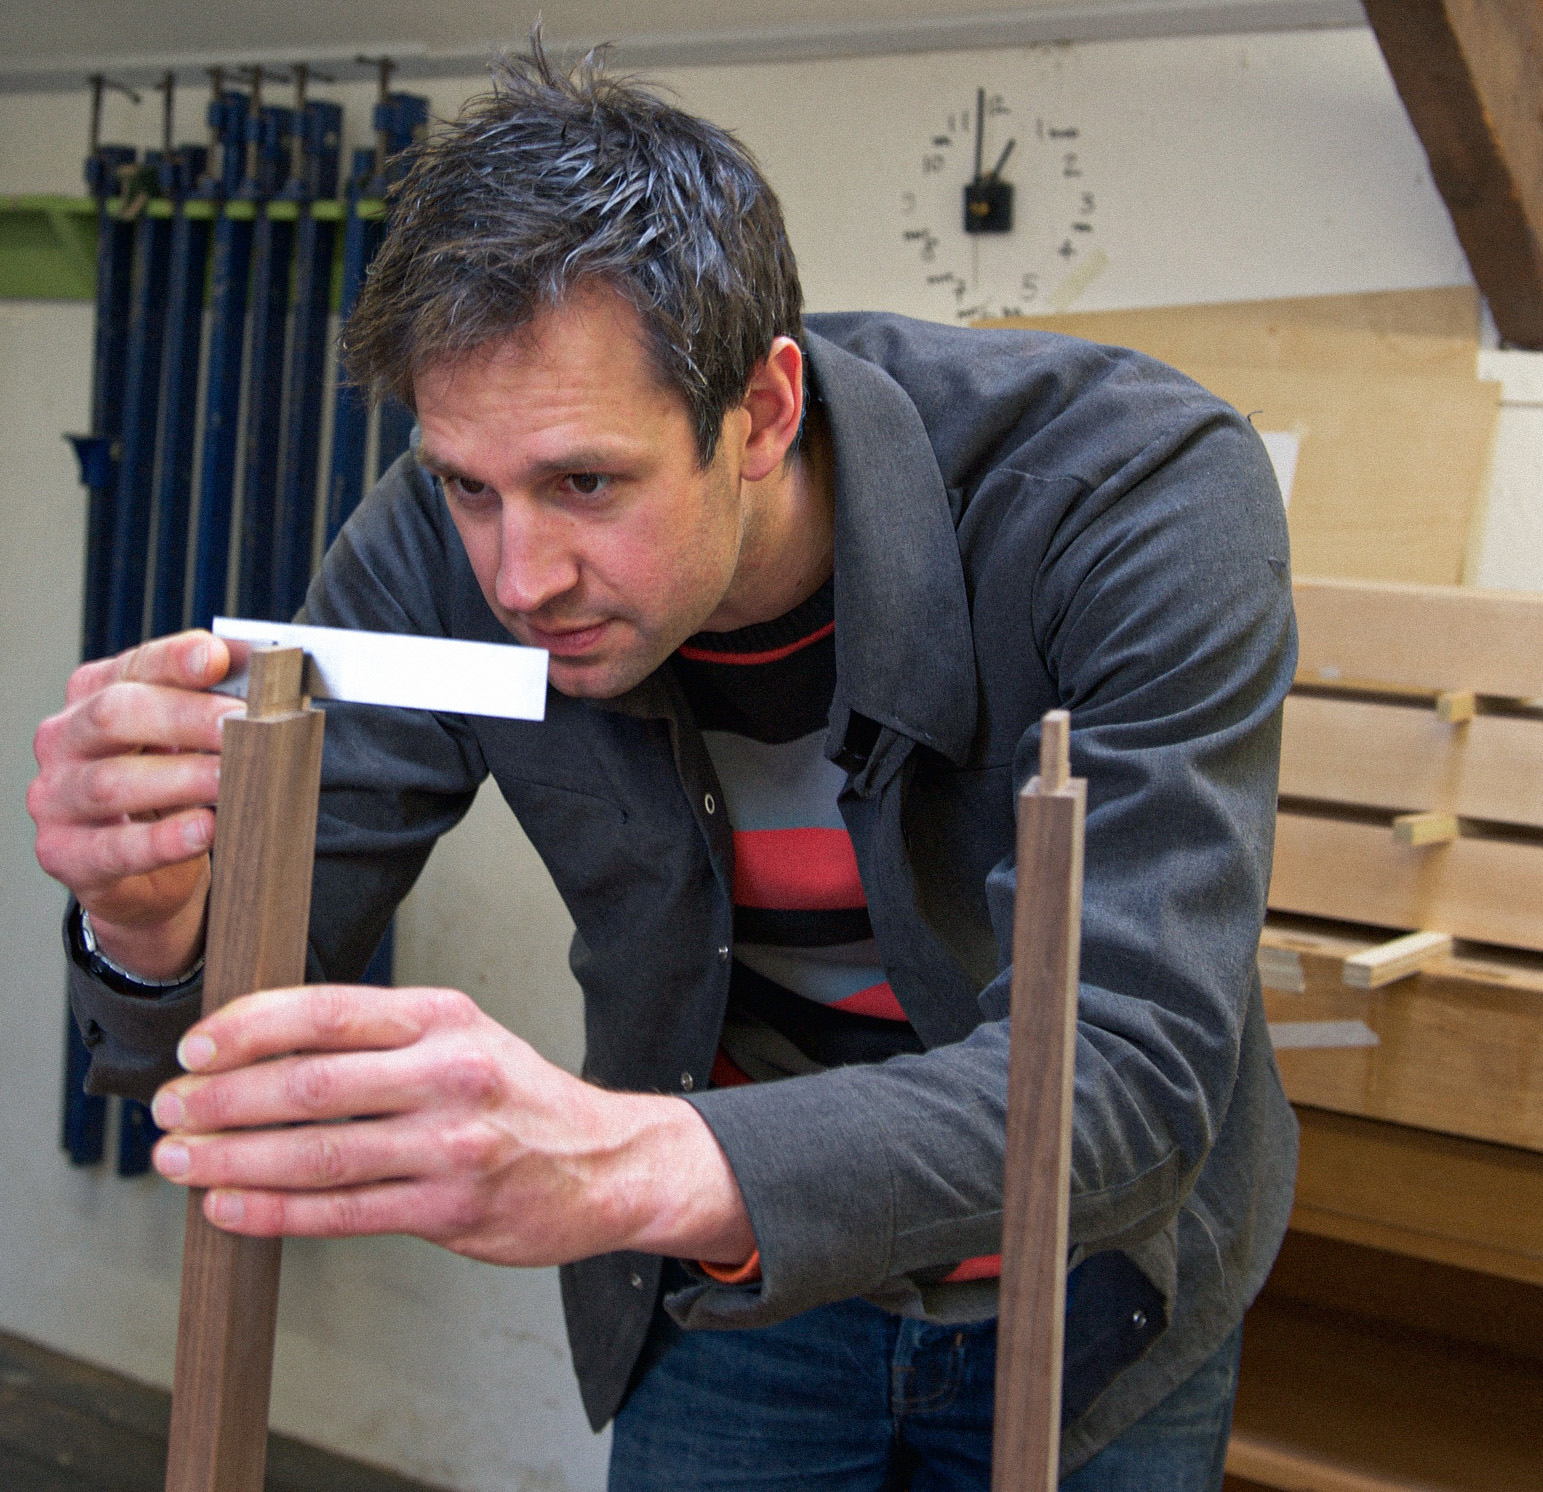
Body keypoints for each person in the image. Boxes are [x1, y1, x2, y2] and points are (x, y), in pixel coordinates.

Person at [30, 41, 1298, 1491]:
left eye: (588, 484)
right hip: (736, 1289)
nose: (518, 574)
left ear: (760, 412)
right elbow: (205, 1039)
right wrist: (144, 918)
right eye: (468, 487)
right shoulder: (446, 533)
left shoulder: (1130, 499)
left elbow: (1130, 1076)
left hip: (1093, 1295)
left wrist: (612, 1165)